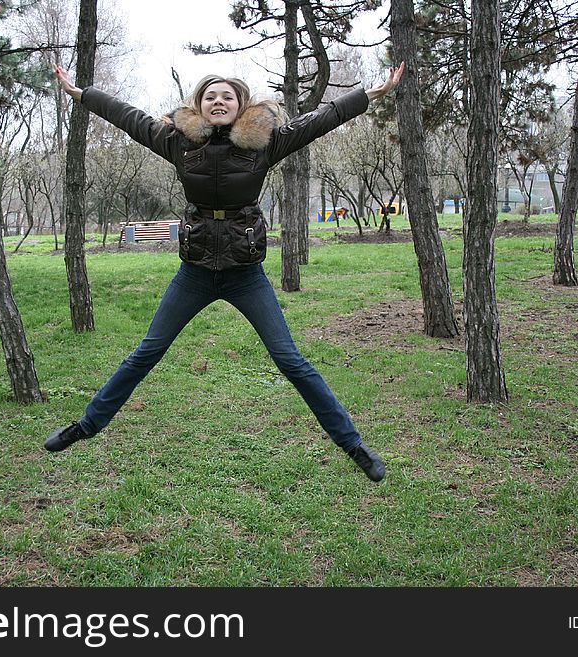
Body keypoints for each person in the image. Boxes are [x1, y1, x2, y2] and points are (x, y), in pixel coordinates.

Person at [46, 61, 405, 482]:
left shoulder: (264, 143)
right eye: (210, 96)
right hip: (194, 273)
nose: (219, 101)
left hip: (245, 275)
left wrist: (372, 93)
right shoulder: (176, 142)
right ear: (199, 105)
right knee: (146, 352)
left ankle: (353, 445)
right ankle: (86, 426)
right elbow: (128, 117)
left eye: (227, 97)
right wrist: (81, 94)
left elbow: (321, 119)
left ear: (240, 106)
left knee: (291, 360)